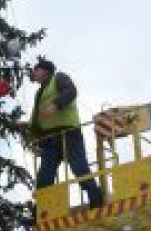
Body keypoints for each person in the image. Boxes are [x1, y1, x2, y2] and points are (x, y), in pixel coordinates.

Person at [22, 57, 103, 209]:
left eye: (36, 70)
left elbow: (71, 91)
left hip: (69, 133)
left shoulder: (58, 78)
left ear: (45, 72)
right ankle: (43, 211)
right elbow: (39, 118)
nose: (33, 73)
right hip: (50, 139)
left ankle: (96, 199)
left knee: (79, 166)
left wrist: (56, 105)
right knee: (44, 176)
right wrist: (27, 127)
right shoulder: (39, 93)